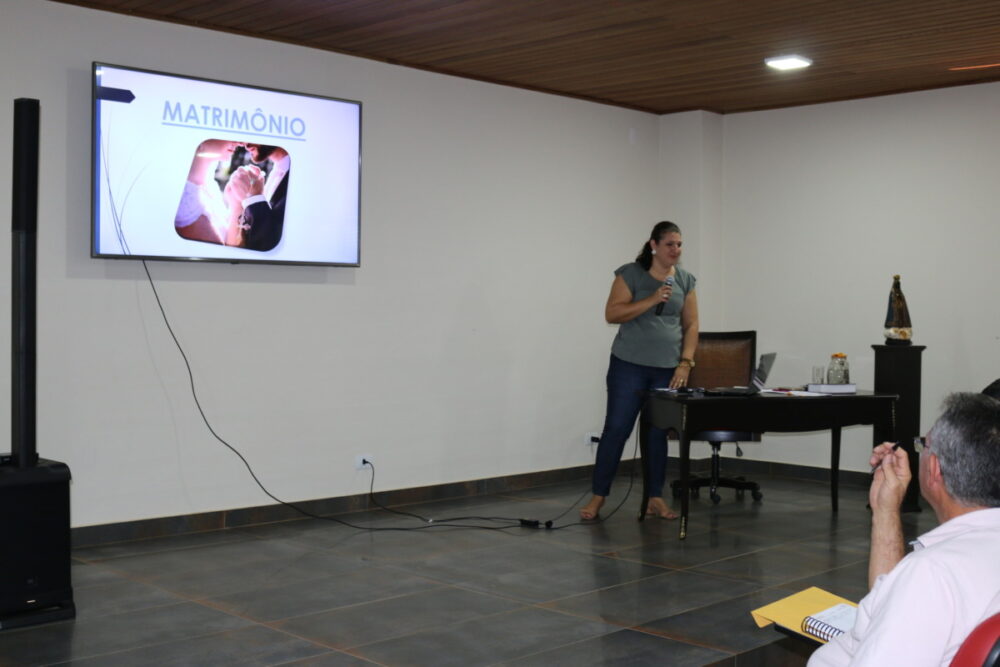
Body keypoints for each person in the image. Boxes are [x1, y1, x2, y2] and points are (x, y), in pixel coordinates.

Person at [808, 392, 1000, 666]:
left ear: (934, 468)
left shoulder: (931, 572)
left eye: (924, 445)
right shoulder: (954, 563)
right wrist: (885, 510)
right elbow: (892, 600)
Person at [579, 221, 699, 521]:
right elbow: (612, 313)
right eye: (670, 244)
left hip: (667, 370)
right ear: (654, 245)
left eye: (679, 244)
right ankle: (598, 497)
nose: (676, 249)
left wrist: (685, 363)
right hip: (629, 366)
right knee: (617, 430)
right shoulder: (630, 274)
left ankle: (654, 498)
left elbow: (691, 324)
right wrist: (652, 299)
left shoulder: (685, 280)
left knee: (657, 434)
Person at [174, 139, 241, 244]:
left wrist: (236, 204)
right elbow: (222, 253)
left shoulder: (210, 184)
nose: (239, 143)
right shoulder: (185, 202)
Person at [226, 143, 290, 251]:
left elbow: (270, 245)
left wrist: (254, 198)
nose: (243, 144)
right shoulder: (277, 169)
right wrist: (238, 206)